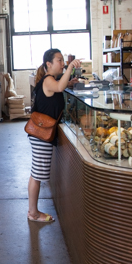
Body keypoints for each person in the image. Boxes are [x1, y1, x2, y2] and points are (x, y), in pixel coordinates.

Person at [27, 49, 81, 223]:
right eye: (59, 60)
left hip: (40, 134)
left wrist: (69, 81)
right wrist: (71, 67)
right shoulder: (49, 80)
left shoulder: (51, 80)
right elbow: (58, 87)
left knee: (36, 172)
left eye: (64, 60)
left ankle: (33, 212)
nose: (63, 63)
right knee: (37, 174)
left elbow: (60, 88)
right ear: (48, 64)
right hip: (41, 135)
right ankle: (33, 213)